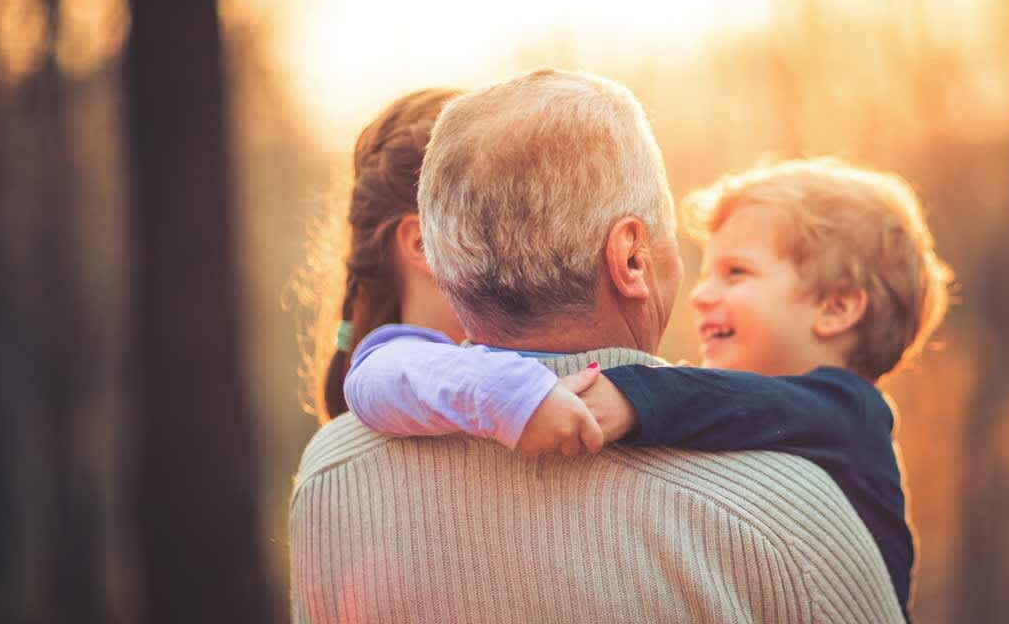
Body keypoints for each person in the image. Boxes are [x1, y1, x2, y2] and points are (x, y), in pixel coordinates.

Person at [290, 69, 905, 623]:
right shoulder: (784, 508)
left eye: (737, 273)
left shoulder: (331, 476)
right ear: (631, 258)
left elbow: (377, 367)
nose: (700, 293)